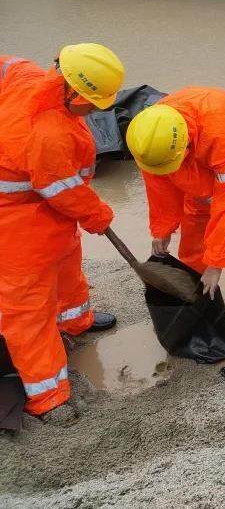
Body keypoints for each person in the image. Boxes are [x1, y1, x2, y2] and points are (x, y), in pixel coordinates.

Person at [0, 44, 125, 424]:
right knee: (28, 306)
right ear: (70, 88)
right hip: (14, 220)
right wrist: (98, 215)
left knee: (67, 261)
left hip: (47, 208)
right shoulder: (47, 133)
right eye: (91, 101)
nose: (96, 109)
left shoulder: (30, 76)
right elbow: (62, 188)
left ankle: (74, 321)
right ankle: (49, 396)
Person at [125, 88, 225, 340]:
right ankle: (193, 287)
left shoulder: (223, 134)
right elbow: (159, 185)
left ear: (185, 147)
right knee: (197, 216)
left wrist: (216, 262)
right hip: (199, 148)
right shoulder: (149, 140)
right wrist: (162, 228)